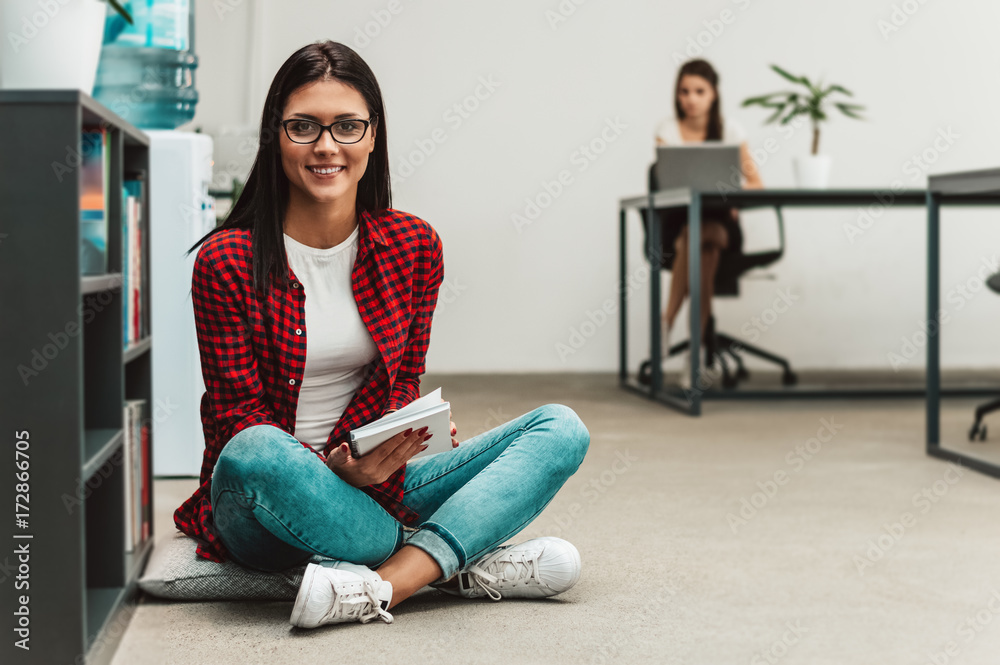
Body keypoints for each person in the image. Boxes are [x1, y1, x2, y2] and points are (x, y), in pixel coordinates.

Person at [173, 40, 591, 629]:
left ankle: (386, 585)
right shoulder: (226, 260)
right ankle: (453, 556)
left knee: (560, 428)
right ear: (276, 137)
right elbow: (237, 421)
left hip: (376, 487)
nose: (326, 146)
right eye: (303, 127)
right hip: (267, 501)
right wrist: (337, 471)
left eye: (347, 126)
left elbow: (402, 382)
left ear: (373, 137)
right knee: (255, 450)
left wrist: (405, 433)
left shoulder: (414, 247)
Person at [652, 58, 764, 386]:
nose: (691, 98)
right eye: (684, 91)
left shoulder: (730, 131)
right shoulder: (667, 131)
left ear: (713, 94)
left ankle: (665, 325)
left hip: (722, 224)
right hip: (678, 223)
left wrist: (731, 191)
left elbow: (757, 184)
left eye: (699, 91)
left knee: (706, 235)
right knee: (701, 242)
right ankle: (696, 351)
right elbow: (663, 187)